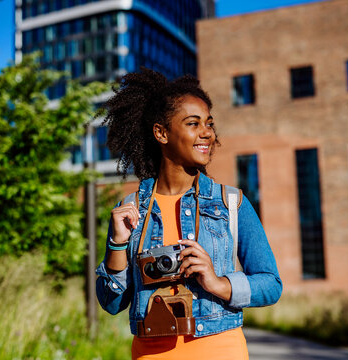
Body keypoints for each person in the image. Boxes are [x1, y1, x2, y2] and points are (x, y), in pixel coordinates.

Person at [96, 68, 282, 360]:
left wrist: (219, 283)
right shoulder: (131, 211)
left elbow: (271, 284)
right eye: (193, 124)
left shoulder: (230, 203)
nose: (206, 132)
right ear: (161, 132)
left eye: (209, 123)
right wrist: (117, 245)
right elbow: (111, 302)